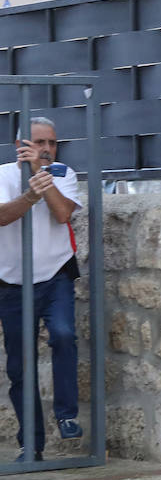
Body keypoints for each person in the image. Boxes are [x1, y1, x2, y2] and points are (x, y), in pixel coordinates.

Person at [0, 118, 82, 461]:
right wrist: (29, 194)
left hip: (55, 274)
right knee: (20, 367)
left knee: (63, 335)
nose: (47, 148)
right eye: (39, 142)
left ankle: (66, 416)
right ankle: (30, 445)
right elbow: (2, 216)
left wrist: (42, 179)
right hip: (13, 281)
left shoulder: (65, 173)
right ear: (21, 143)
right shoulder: (3, 174)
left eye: (52, 142)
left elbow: (64, 214)